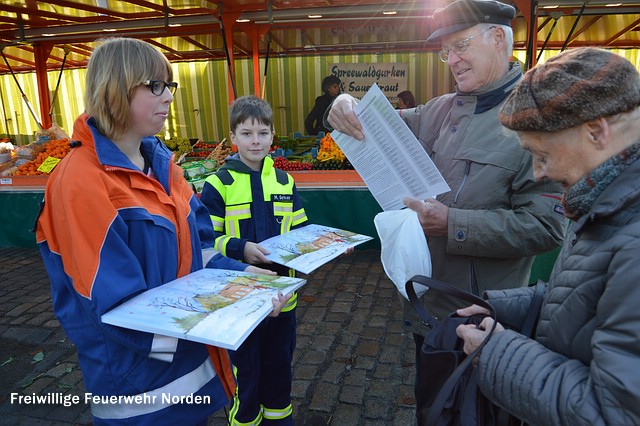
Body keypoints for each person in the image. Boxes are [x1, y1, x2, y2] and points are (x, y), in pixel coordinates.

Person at [327, 0, 567, 420]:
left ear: (498, 40)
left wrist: (451, 224)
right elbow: (371, 124)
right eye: (446, 51)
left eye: (460, 46)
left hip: (482, 316)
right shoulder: (439, 109)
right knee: (432, 408)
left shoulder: (536, 120)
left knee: (475, 413)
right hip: (428, 307)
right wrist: (344, 103)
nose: (451, 60)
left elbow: (547, 227)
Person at [35, 38, 280, 426]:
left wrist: (245, 281)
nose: (168, 97)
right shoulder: (79, 183)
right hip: (140, 394)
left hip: (193, 374)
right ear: (116, 87)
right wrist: (231, 310)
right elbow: (115, 305)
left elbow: (199, 249)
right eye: (155, 86)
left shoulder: (166, 166)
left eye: (170, 85)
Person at [456, 47, 640, 425]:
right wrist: (510, 307)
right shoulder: (606, 199)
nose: (539, 173)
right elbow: (594, 299)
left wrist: (494, 352)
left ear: (596, 132)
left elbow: (611, 413)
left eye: (542, 154)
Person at [200, 95, 308, 425]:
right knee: (244, 378)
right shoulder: (218, 184)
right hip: (238, 301)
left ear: (273, 136)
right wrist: (240, 247)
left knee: (278, 374)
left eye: (262, 133)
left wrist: (329, 245)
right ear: (232, 137)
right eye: (246, 133)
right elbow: (206, 241)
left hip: (282, 299)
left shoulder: (284, 181)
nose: (255, 140)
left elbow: (302, 230)